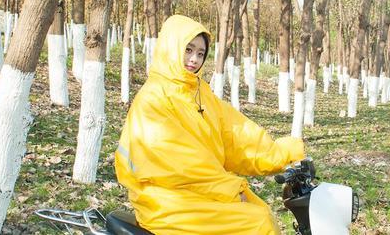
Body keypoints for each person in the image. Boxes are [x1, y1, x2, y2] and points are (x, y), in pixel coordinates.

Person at [115, 15, 305, 234]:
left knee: (260, 213)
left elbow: (236, 134)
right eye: (188, 49)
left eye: (200, 53)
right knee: (257, 222)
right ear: (171, 47)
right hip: (165, 199)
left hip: (196, 193)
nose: (194, 59)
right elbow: (182, 162)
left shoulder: (199, 92)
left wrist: (283, 153)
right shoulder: (153, 99)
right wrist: (230, 189)